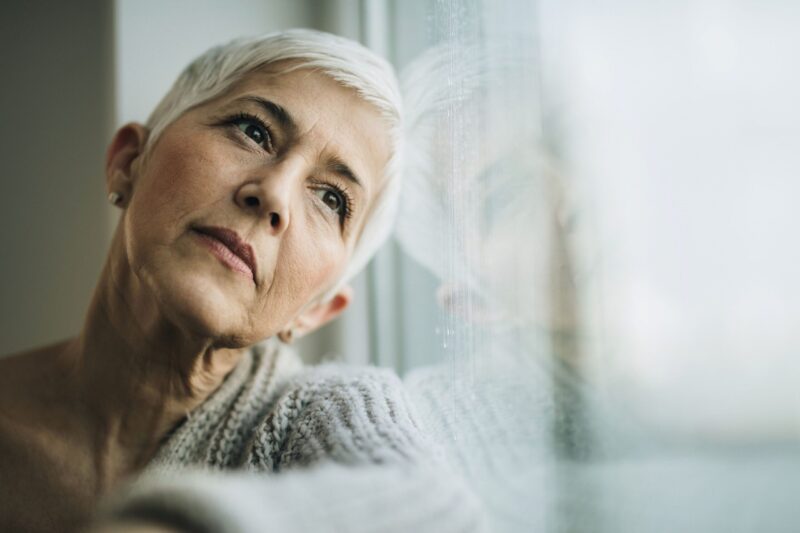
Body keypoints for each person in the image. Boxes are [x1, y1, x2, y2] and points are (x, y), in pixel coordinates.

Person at [0, 29, 483, 533]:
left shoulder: (318, 413)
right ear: (127, 162)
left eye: (332, 199)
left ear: (317, 309)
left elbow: (434, 508)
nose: (274, 194)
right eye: (253, 131)